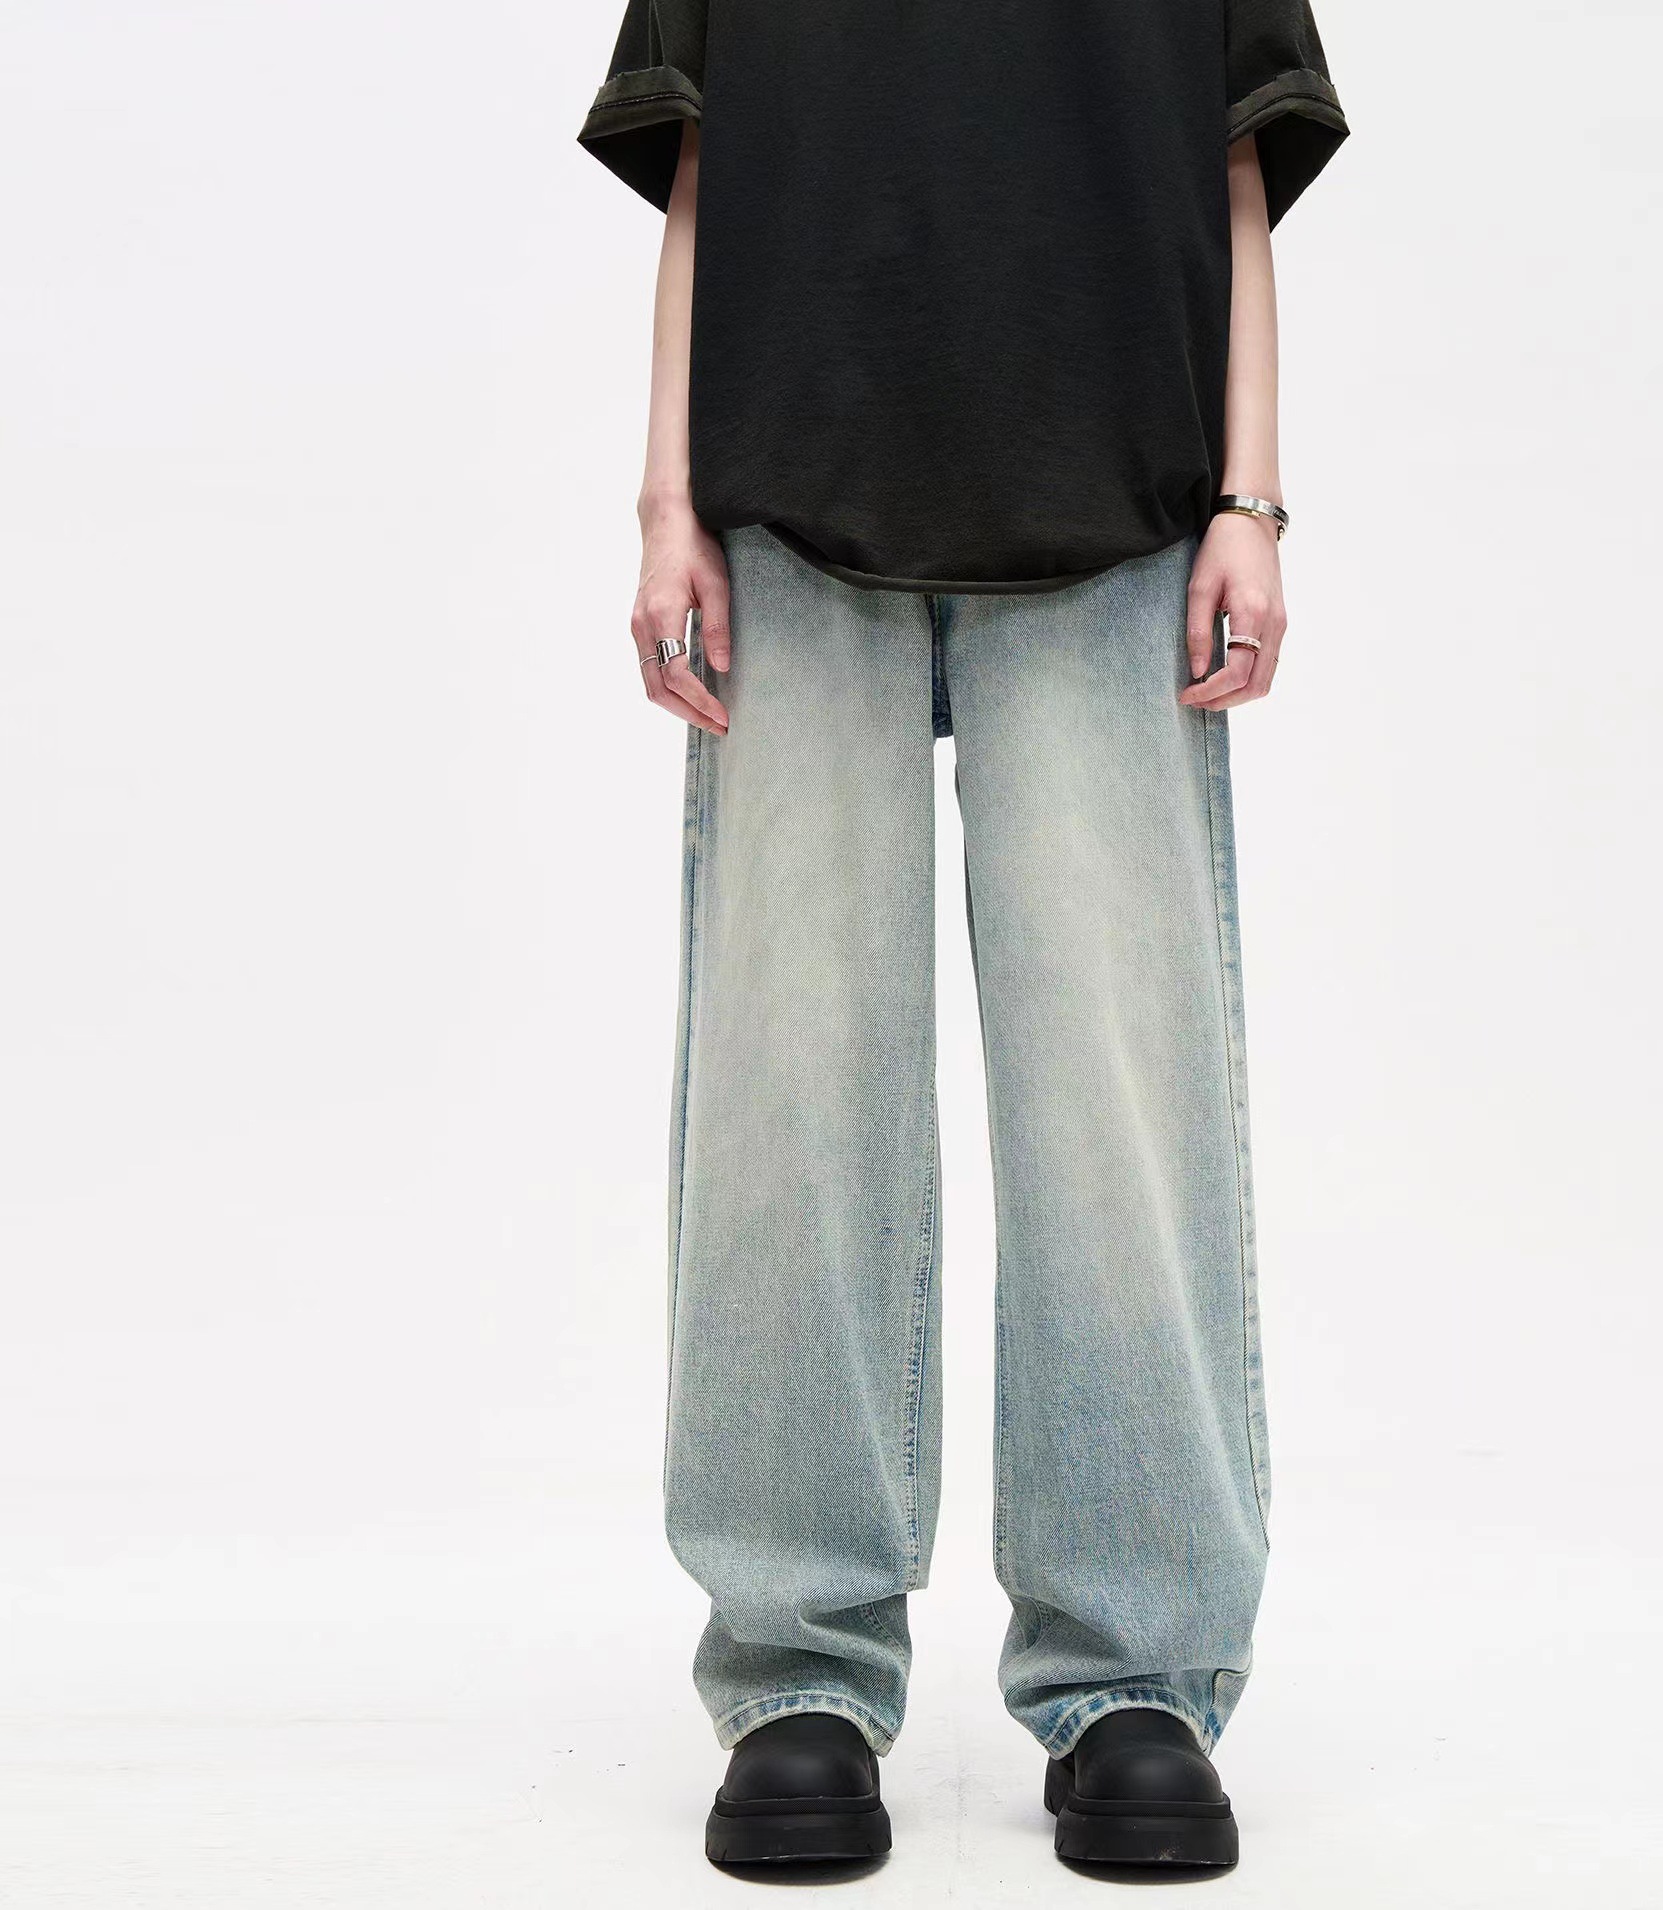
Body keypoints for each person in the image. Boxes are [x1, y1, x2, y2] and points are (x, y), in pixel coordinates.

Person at [577, 0, 1347, 1873]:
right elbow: (700, 166)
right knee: (789, 1094)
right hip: (784, 499)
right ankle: (797, 1666)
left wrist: (1250, 501)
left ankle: (1135, 1670)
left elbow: (1236, 166)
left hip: (1122, 503)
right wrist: (666, 500)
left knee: (1118, 1100)